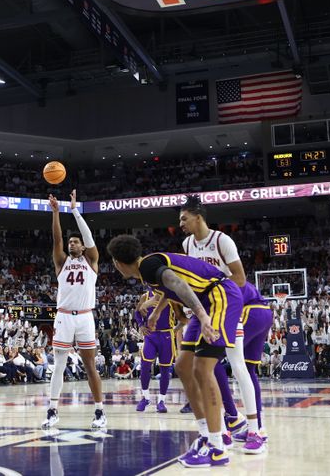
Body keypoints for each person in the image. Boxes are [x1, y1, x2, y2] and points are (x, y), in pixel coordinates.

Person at [107, 235, 243, 468]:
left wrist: (201, 316)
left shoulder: (148, 266)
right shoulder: (147, 269)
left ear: (118, 263)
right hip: (207, 299)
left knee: (203, 368)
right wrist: (157, 311)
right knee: (182, 367)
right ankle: (205, 433)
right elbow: (167, 290)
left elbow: (178, 284)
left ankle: (218, 446)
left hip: (220, 296)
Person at [179, 195, 269, 453]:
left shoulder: (221, 240)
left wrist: (228, 304)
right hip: (203, 310)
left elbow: (240, 278)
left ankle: (254, 432)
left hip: (227, 304)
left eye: (184, 219)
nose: (181, 224)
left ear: (198, 217)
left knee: (238, 365)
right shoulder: (187, 244)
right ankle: (219, 429)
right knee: (193, 365)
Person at [43, 190, 106, 430]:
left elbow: (90, 239)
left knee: (90, 365)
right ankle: (52, 410)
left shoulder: (91, 260)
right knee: (58, 364)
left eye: (75, 242)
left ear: (82, 246)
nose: (72, 244)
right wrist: (56, 213)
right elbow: (56, 240)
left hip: (85, 317)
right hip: (64, 317)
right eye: (71, 242)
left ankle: (99, 411)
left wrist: (74, 211)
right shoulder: (62, 261)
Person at [134, 290, 186, 413]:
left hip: (166, 335)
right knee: (145, 365)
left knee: (165, 369)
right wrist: (141, 325)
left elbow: (182, 317)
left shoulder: (171, 295)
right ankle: (145, 398)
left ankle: (161, 401)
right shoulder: (145, 296)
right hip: (150, 335)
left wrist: (175, 329)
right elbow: (137, 312)